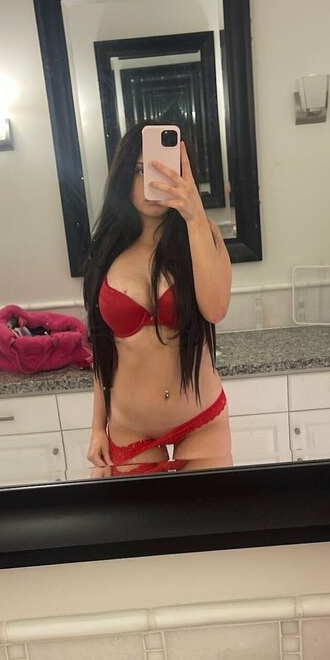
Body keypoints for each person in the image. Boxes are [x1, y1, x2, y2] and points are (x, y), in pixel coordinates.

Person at [82, 122, 232, 474]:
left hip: (201, 420)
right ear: (123, 177)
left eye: (165, 168)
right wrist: (97, 429)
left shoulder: (203, 235)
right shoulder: (106, 251)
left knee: (212, 513)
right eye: (140, 170)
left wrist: (195, 216)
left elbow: (215, 309)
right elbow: (104, 350)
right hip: (129, 427)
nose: (152, 180)